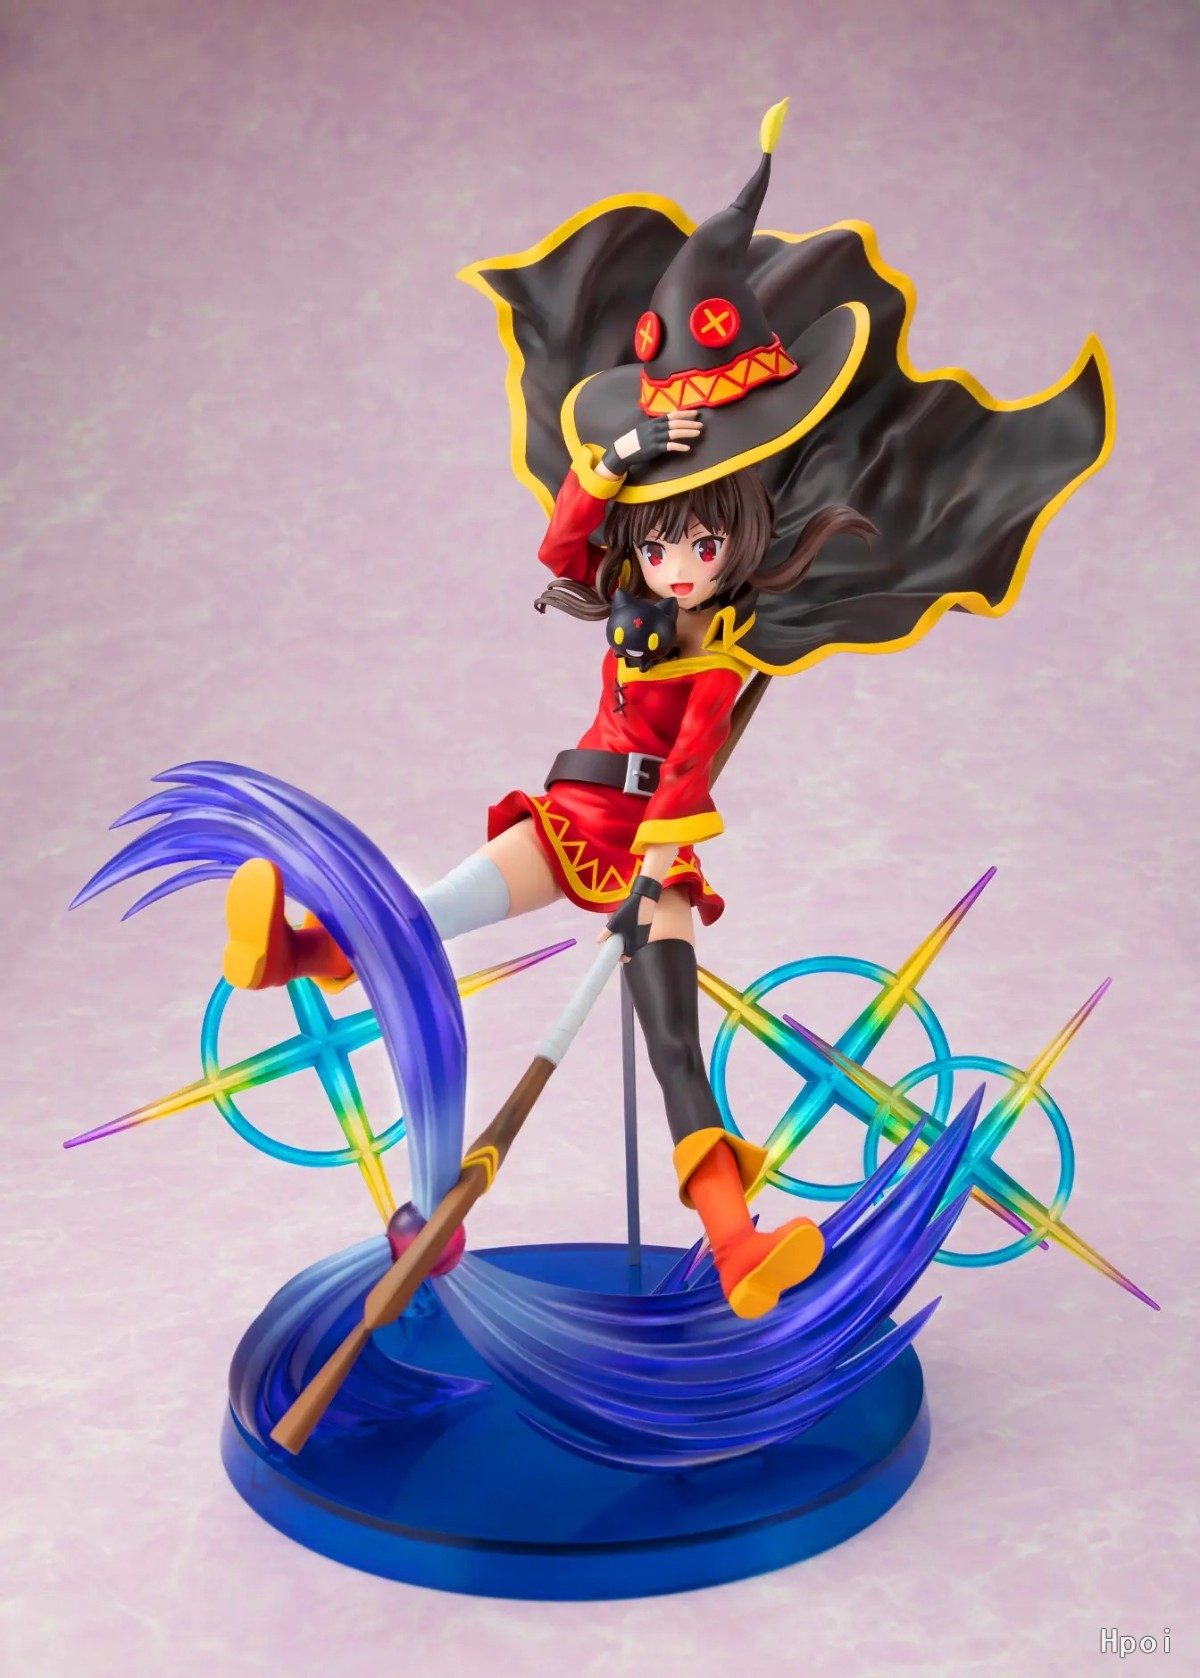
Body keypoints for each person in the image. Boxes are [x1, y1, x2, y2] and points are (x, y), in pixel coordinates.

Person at [222, 97, 1114, 1319]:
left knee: (676, 1053)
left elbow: (689, 773)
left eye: (703, 544)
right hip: (570, 819)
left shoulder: (720, 660)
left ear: (742, 541)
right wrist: (622, 455)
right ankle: (309, 952)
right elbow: (563, 544)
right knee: (433, 909)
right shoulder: (625, 591)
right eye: (662, 542)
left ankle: (738, 1245)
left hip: (656, 859)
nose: (680, 564)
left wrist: (655, 878)